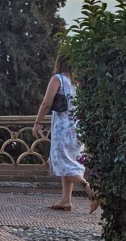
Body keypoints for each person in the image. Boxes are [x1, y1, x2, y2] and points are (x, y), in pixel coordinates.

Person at [33, 56, 100, 213]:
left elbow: (46, 103)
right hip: (77, 129)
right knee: (67, 162)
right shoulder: (76, 83)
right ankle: (66, 200)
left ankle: (92, 192)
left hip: (62, 129)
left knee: (60, 163)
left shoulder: (58, 79)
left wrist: (37, 122)